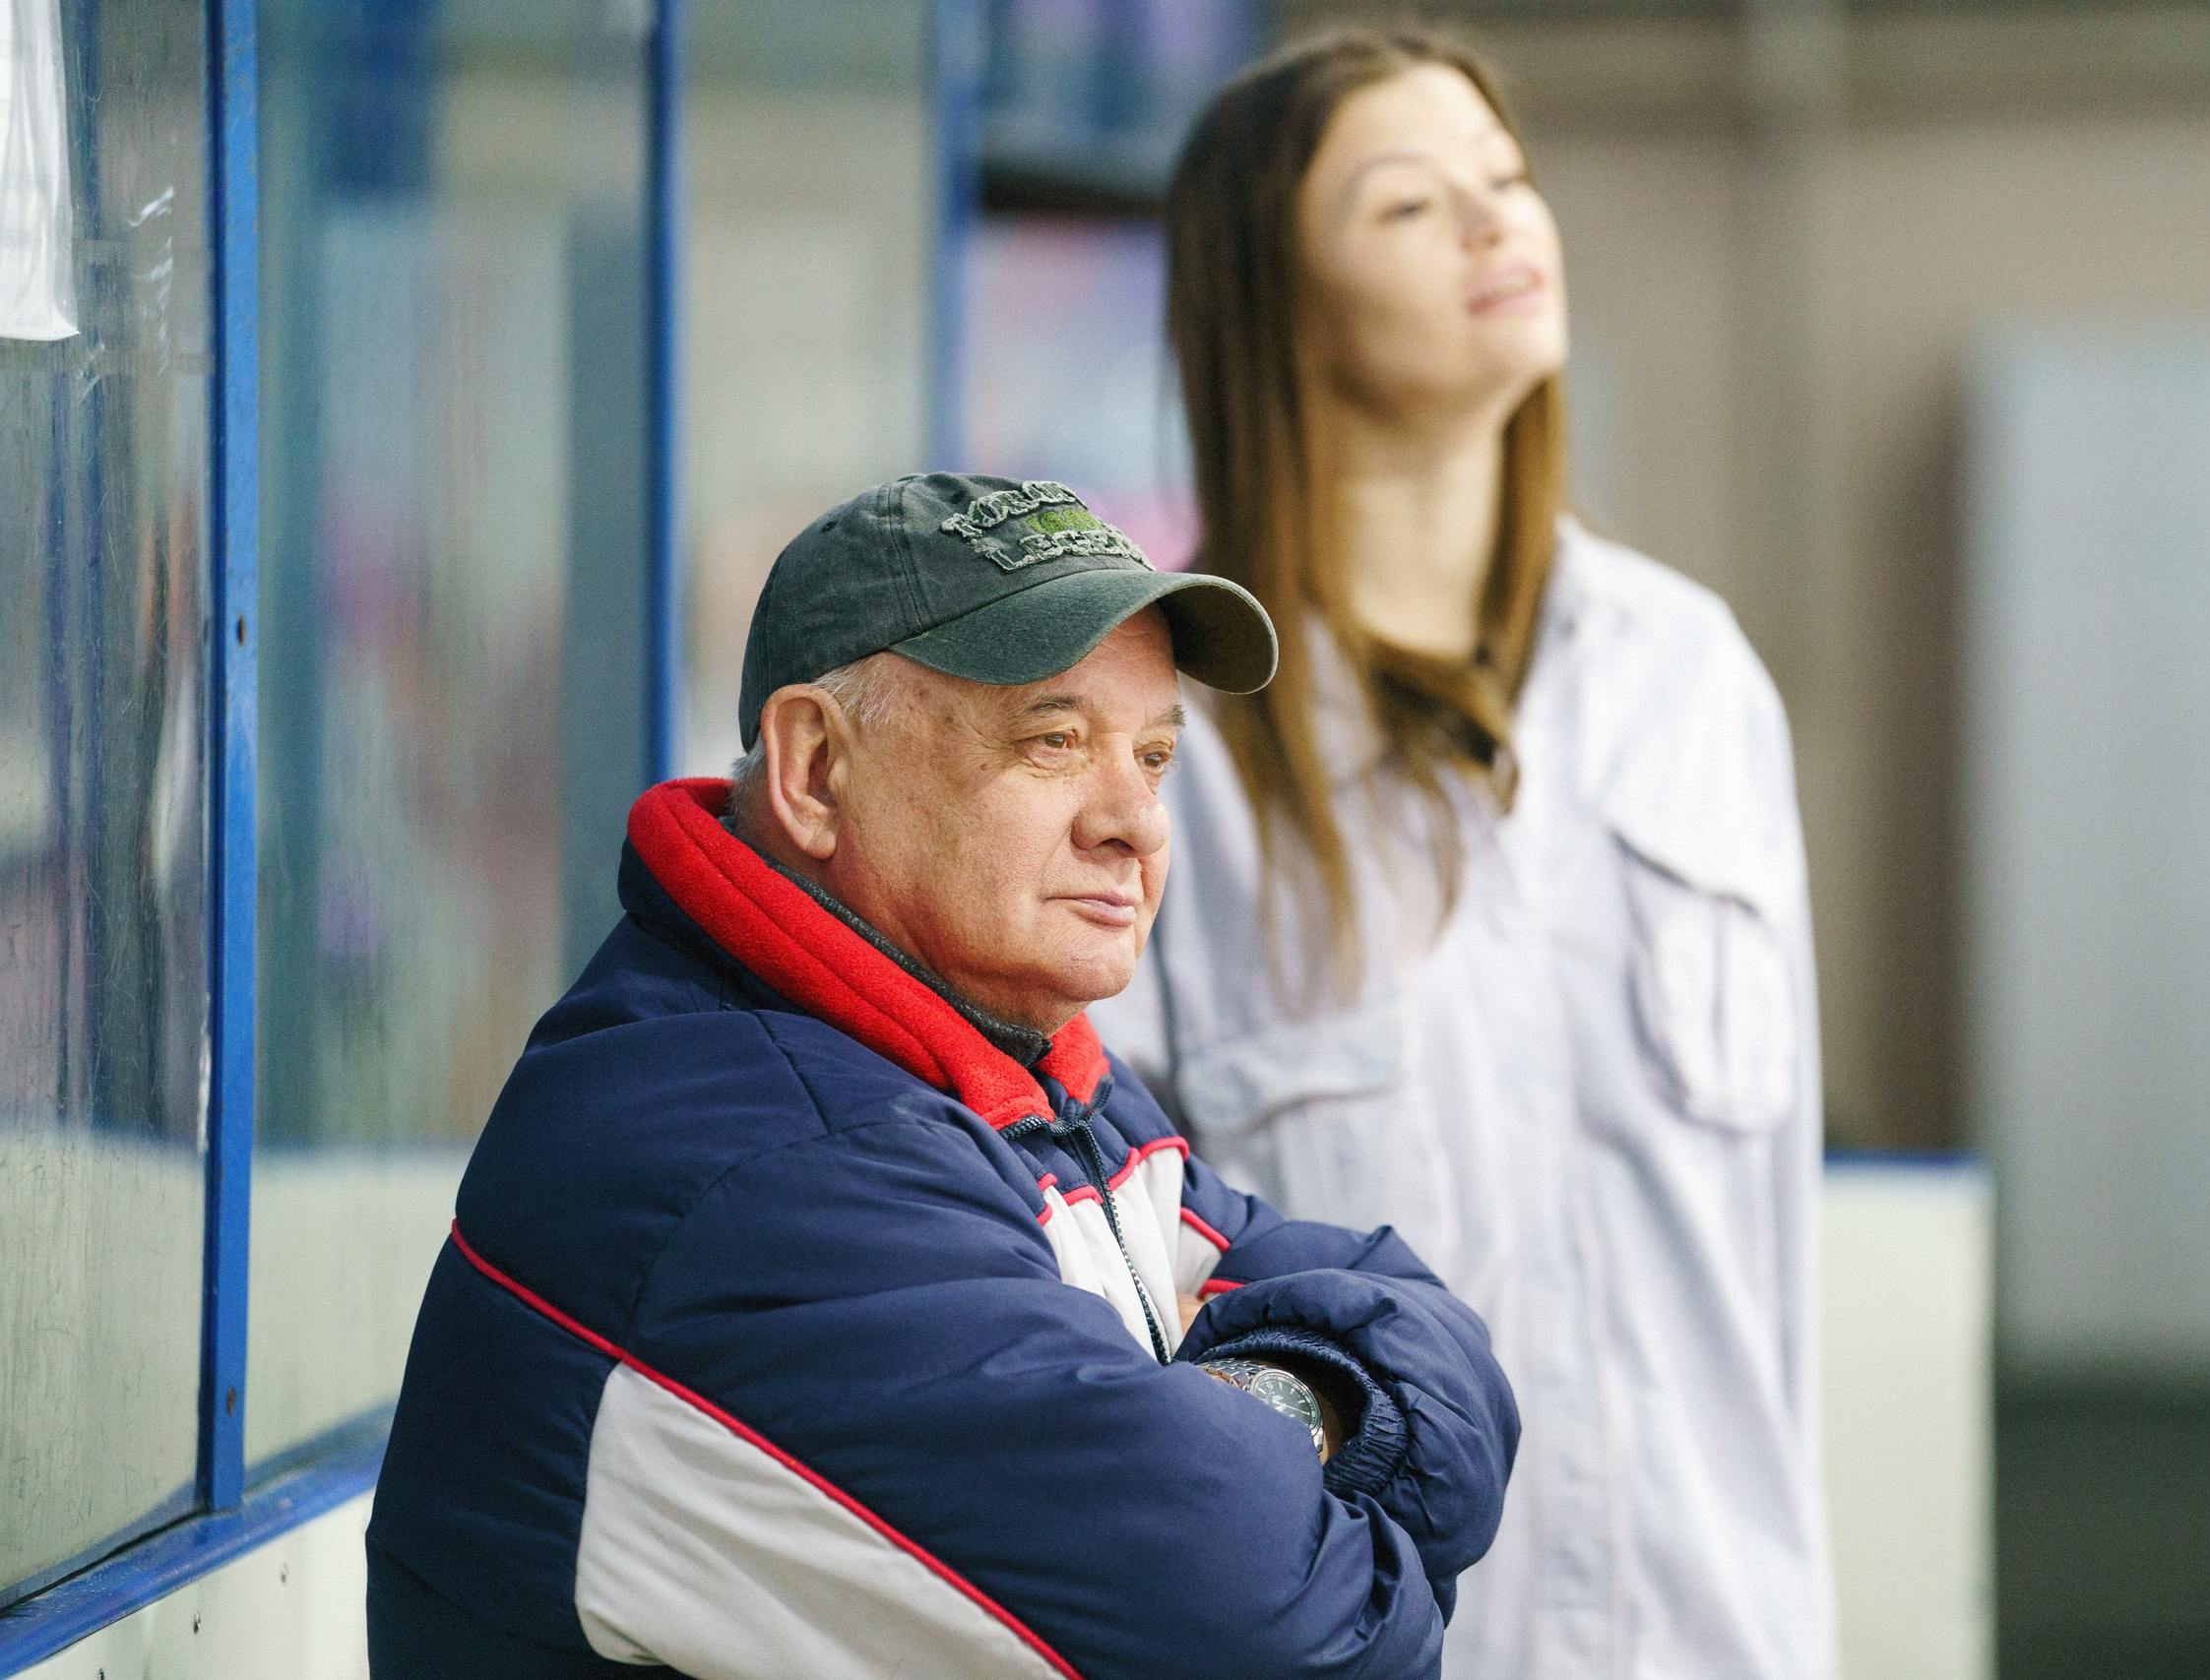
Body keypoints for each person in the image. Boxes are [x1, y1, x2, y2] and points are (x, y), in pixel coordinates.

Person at [364, 473, 1519, 1680]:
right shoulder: (755, 1174)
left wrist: (1258, 1413)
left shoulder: (1024, 1070)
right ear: (814, 771)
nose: (1136, 822)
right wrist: (1297, 1413)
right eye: (1055, 741)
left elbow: (1442, 1350)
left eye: (1157, 756)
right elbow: (1286, 1645)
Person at [1091, 32, 1835, 1679]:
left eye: (1510, 183)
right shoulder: (1174, 757)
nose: (1502, 226)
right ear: (1275, 303)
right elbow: (1118, 1323)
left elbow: (1773, 1264)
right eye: (1413, 204)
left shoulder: (1692, 683)